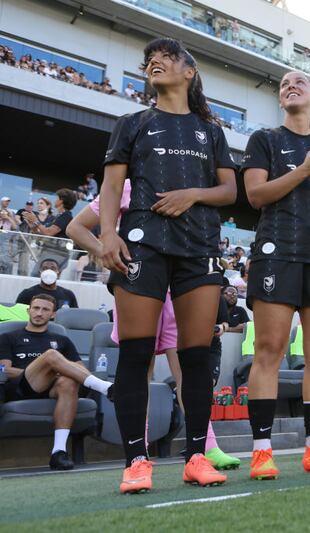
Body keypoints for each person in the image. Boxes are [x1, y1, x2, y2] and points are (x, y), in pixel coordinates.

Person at [99, 38, 237, 493]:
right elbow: (112, 182)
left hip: (199, 247)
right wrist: (107, 233)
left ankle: (197, 456)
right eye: (149, 60)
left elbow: (229, 192)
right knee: (137, 354)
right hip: (142, 246)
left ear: (189, 71)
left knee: (196, 358)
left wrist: (192, 194)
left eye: (166, 57)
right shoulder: (132, 123)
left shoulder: (210, 130)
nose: (154, 62)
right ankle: (136, 462)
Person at [67, 179, 240, 471]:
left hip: (181, 292)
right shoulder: (126, 185)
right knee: (139, 369)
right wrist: (107, 250)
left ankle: (207, 446)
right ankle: (139, 453)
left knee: (186, 369)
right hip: (137, 287)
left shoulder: (193, 184)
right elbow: (75, 228)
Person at [242, 70, 310, 479]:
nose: (290, 87)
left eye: (299, 84)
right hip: (277, 254)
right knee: (269, 350)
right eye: (284, 85)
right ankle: (261, 451)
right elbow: (256, 196)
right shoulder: (265, 140)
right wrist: (305, 170)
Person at [0, 294, 114, 470]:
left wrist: (56, 373)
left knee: (69, 382)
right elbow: (5, 370)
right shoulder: (9, 337)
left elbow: (80, 370)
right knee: (51, 356)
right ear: (28, 310)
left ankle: (58, 452)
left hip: (54, 389)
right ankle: (104, 387)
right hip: (24, 386)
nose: (39, 313)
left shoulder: (62, 340)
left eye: (45, 309)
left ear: (53, 314)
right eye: (36, 308)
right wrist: (46, 370)